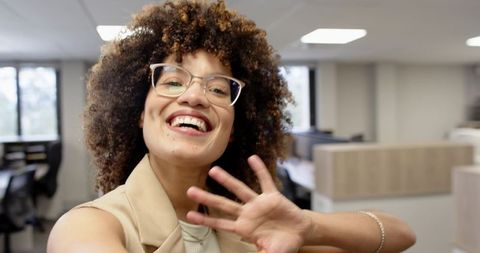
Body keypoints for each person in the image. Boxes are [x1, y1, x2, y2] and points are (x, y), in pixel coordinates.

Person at [47, 1, 416, 252]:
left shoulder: (251, 225)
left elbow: (400, 234)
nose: (194, 96)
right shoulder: (89, 226)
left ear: (234, 128)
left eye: (219, 88)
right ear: (140, 113)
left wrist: (309, 226)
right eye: (172, 80)